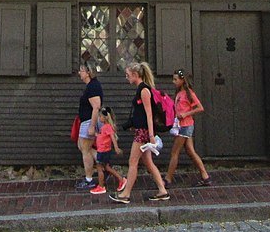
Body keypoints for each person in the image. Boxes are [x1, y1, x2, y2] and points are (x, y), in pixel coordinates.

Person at [108, 62, 169, 203]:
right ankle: (162, 190)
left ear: (135, 75)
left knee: (132, 161)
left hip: (143, 132)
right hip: (142, 130)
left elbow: (148, 114)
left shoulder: (144, 91)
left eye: (128, 75)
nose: (126, 77)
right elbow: (139, 115)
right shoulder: (141, 89)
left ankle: (126, 194)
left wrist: (151, 135)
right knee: (148, 162)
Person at [164, 69, 211, 187]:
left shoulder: (188, 93)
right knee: (190, 151)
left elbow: (200, 107)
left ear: (182, 80)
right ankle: (205, 176)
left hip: (185, 125)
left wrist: (185, 114)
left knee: (175, 152)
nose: (173, 81)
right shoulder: (179, 93)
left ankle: (167, 179)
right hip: (181, 125)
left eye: (176, 79)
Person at [75, 61, 103, 190]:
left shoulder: (93, 87)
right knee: (82, 146)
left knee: (85, 149)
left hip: (88, 121)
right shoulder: (91, 86)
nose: (79, 73)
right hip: (86, 120)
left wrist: (92, 126)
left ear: (88, 73)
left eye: (81, 70)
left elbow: (96, 107)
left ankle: (89, 179)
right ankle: (104, 164)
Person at [89, 107, 126, 195]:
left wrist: (116, 147)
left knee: (99, 168)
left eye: (100, 116)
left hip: (103, 151)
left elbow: (112, 137)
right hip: (103, 150)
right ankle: (121, 179)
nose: (99, 118)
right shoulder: (104, 127)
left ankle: (101, 186)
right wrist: (97, 135)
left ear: (105, 117)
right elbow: (103, 137)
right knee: (107, 167)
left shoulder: (107, 127)